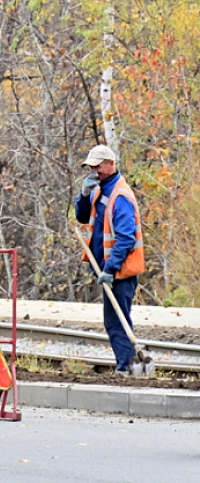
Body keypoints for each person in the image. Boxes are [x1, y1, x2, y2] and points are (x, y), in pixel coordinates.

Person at [74, 143, 144, 376]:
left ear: (111, 164)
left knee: (117, 322)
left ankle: (126, 368)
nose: (94, 171)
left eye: (98, 166)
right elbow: (82, 216)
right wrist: (83, 196)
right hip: (107, 269)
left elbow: (125, 239)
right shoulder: (98, 189)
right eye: (91, 167)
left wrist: (110, 269)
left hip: (119, 272)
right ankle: (128, 366)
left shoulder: (120, 195)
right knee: (115, 320)